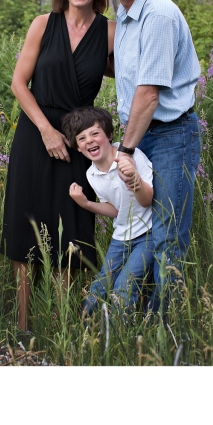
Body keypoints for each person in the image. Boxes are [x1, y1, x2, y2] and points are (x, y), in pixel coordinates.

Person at [1, 0, 115, 332]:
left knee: (73, 229)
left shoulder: (110, 32)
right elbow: (20, 83)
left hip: (80, 140)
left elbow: (133, 74)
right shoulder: (42, 24)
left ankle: (60, 326)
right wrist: (47, 131)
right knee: (26, 225)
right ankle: (23, 325)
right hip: (36, 135)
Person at [100, 0, 201, 316]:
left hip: (170, 135)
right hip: (142, 134)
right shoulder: (125, 14)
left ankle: (167, 326)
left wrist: (123, 151)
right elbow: (126, 71)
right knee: (142, 230)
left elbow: (148, 93)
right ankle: (139, 314)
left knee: (167, 233)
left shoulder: (157, 14)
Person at [61, 106, 153, 317]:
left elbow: (147, 201)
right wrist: (85, 204)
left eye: (95, 133)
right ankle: (83, 332)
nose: (90, 140)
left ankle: (119, 337)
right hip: (121, 237)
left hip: (148, 234)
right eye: (82, 138)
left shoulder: (131, 157)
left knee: (123, 287)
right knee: (100, 285)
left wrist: (134, 180)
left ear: (109, 135)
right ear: (77, 147)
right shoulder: (92, 175)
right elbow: (115, 209)